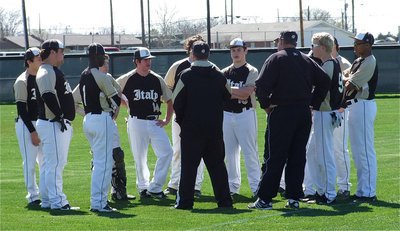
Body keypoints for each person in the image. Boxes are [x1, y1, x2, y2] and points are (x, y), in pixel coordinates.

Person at [249, 31, 331, 210]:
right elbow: (324, 80)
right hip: (303, 113)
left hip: (282, 111)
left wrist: (266, 106)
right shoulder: (306, 59)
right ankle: (293, 197)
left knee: (276, 156)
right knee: (297, 156)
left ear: (281, 41)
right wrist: (312, 104)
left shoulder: (275, 58)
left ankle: (265, 199)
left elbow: (261, 85)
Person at [172, 41, 233, 210]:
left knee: (189, 167)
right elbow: (228, 95)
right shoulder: (219, 75)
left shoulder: (186, 75)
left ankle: (185, 202)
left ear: (193, 54)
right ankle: (225, 201)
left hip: (191, 128)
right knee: (217, 166)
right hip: (214, 128)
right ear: (208, 54)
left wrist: (184, 120)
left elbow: (177, 102)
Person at [72, 54, 136, 202]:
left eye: (107, 61)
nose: (106, 64)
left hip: (106, 121)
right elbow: (74, 100)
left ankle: (119, 191)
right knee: (102, 159)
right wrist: (87, 112)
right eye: (104, 61)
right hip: (98, 120)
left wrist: (115, 113)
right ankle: (100, 197)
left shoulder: (106, 77)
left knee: (117, 155)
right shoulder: (90, 78)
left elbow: (118, 92)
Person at [116, 47, 173, 199]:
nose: (149, 62)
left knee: (167, 152)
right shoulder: (127, 78)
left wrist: (167, 119)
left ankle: (155, 187)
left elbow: (169, 99)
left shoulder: (156, 79)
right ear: (137, 61)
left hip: (154, 121)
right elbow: (113, 92)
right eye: (145, 60)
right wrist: (126, 104)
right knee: (140, 157)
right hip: (136, 121)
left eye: (149, 59)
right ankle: (143, 187)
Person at [77, 43, 124, 212]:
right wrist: (111, 109)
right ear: (97, 57)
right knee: (103, 163)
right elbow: (116, 100)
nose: (104, 58)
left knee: (100, 162)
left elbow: (74, 99)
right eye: (102, 56)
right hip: (101, 119)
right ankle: (98, 203)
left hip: (88, 120)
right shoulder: (102, 76)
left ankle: (98, 201)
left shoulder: (84, 74)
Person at [35, 39, 79, 210]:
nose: (63, 54)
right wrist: (60, 116)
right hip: (52, 123)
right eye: (61, 51)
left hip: (52, 123)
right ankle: (58, 202)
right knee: (55, 164)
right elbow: (47, 95)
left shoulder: (51, 70)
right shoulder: (46, 71)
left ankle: (47, 200)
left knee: (50, 164)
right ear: (52, 52)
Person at [302, 32, 344, 204]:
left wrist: (308, 103)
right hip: (326, 113)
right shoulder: (330, 63)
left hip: (325, 113)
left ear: (323, 47)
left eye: (314, 45)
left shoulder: (328, 65)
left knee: (325, 155)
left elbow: (320, 91)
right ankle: (320, 191)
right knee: (312, 152)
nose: (312, 48)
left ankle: (329, 193)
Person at [163, 35, 206, 198]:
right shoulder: (178, 66)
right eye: (194, 46)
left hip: (201, 116)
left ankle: (196, 186)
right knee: (178, 150)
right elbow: (166, 89)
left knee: (200, 150)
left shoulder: (209, 67)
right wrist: (174, 106)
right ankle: (174, 184)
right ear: (189, 49)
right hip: (180, 115)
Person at [221, 38, 261, 196]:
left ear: (246, 51)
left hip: (246, 113)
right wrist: (237, 91)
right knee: (229, 153)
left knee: (250, 152)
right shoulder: (224, 72)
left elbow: (246, 93)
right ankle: (232, 187)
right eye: (233, 49)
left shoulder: (251, 70)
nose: (235, 52)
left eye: (238, 49)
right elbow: (222, 95)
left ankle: (256, 187)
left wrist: (229, 91)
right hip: (226, 114)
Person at [344, 32, 378, 202]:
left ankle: (368, 192)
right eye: (355, 43)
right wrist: (348, 78)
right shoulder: (358, 61)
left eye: (358, 43)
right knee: (358, 151)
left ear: (368, 45)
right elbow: (344, 77)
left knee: (364, 150)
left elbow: (349, 85)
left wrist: (348, 79)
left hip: (364, 105)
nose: (355, 46)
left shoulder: (370, 61)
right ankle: (362, 190)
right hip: (355, 106)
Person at [14, 47, 44, 206]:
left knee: (45, 160)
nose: (40, 58)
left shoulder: (42, 77)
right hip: (26, 125)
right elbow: (21, 110)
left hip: (42, 123)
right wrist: (32, 131)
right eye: (37, 57)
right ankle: (33, 196)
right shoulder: (22, 81)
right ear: (29, 61)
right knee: (30, 162)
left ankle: (46, 193)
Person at [332, 37, 352, 199]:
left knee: (339, 148)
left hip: (340, 110)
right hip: (324, 111)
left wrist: (342, 107)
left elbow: (348, 88)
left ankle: (344, 186)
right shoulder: (318, 60)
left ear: (336, 47)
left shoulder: (343, 63)